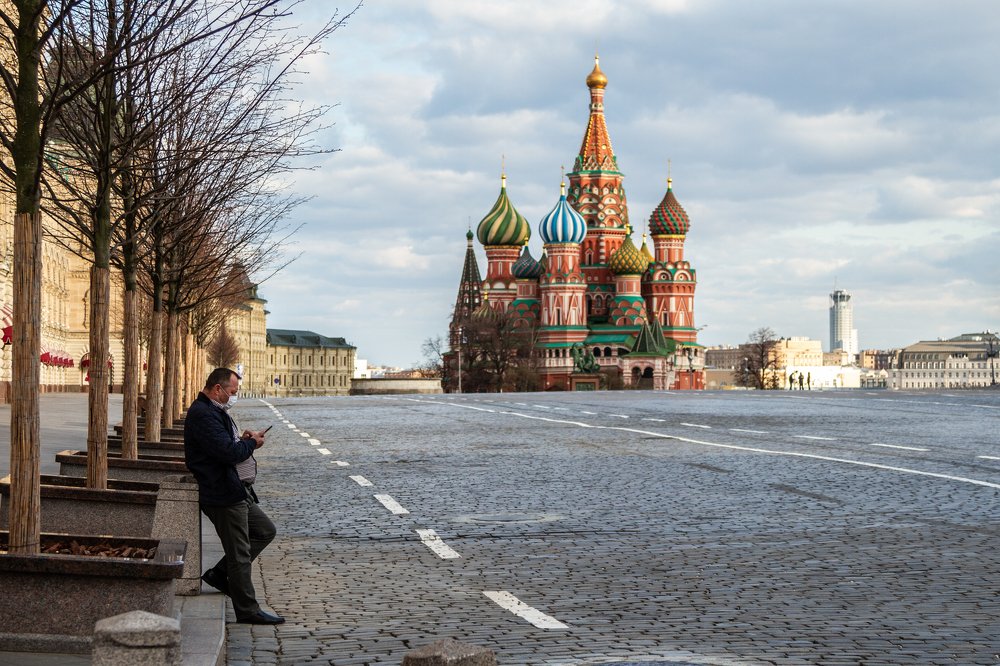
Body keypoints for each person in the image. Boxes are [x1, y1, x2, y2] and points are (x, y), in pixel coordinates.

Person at [184, 367, 284, 625]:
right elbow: (227, 453)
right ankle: (247, 610)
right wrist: (251, 444)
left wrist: (243, 438)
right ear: (217, 389)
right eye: (232, 392)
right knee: (239, 552)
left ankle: (219, 574)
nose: (233, 396)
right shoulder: (203, 414)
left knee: (264, 531)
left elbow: (223, 445)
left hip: (234, 488)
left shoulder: (214, 411)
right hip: (222, 493)